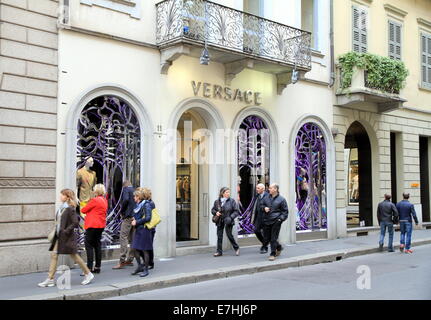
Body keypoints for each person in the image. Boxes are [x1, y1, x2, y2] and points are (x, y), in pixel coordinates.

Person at [38, 189, 94, 287]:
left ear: (67, 197)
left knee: (74, 256)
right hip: (59, 236)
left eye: (62, 195)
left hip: (66, 237)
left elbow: (75, 222)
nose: (60, 196)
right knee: (54, 256)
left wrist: (65, 231)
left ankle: (88, 274)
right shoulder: (62, 207)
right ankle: (50, 279)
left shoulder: (70, 208)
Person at [81, 184, 108, 273]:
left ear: (96, 191)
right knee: (97, 246)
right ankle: (97, 267)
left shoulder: (94, 200)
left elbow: (83, 210)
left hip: (92, 225)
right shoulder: (104, 200)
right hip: (100, 225)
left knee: (88, 246)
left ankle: (88, 268)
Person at [130, 187, 156, 277]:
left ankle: (146, 269)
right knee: (135, 249)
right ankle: (140, 266)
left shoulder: (146, 204)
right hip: (138, 229)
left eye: (135, 196)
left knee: (144, 250)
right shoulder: (139, 204)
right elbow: (136, 214)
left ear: (139, 197)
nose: (133, 198)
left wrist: (137, 221)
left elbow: (148, 218)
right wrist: (134, 218)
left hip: (145, 229)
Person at [113, 181, 136, 269]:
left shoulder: (126, 189)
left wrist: (122, 211)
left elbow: (125, 199)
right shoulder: (134, 190)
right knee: (132, 239)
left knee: (123, 237)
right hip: (134, 217)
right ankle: (130, 259)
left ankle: (122, 261)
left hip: (128, 217)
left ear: (124, 186)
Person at [262, 183, 289, 261]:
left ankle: (272, 253)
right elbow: (261, 206)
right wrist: (264, 208)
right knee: (267, 238)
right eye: (269, 188)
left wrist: (280, 219)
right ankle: (279, 247)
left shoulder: (281, 199)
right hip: (267, 220)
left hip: (276, 221)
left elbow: (285, 212)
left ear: (275, 189)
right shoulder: (266, 198)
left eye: (270, 188)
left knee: (273, 238)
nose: (269, 189)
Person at [211, 187, 240, 257]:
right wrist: (216, 213)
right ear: (222, 193)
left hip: (228, 220)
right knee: (219, 236)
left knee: (229, 235)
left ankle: (236, 248)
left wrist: (231, 217)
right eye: (226, 192)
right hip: (220, 220)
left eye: (228, 192)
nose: (228, 193)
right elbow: (213, 210)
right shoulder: (217, 201)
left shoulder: (232, 201)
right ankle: (219, 252)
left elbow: (236, 211)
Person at [251, 183, 269, 254]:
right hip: (258, 217)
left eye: (258, 188)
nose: (256, 189)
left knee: (265, 233)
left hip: (265, 217)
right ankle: (265, 243)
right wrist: (253, 218)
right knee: (256, 230)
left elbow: (269, 205)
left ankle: (264, 247)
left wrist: (265, 208)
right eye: (256, 188)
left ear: (263, 189)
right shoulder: (257, 196)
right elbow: (255, 207)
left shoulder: (268, 196)